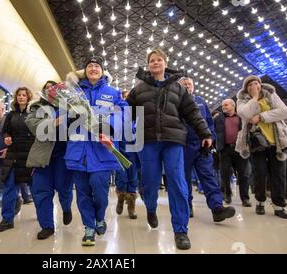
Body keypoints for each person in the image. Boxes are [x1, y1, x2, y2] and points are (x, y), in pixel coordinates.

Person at [127, 48, 212, 250]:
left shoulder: (178, 88)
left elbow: (192, 112)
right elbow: (124, 113)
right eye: (152, 60)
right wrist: (110, 130)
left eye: (159, 60)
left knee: (177, 182)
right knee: (149, 182)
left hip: (173, 140)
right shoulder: (138, 90)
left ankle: (181, 230)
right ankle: (150, 207)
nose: (155, 63)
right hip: (147, 141)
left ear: (165, 63)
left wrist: (205, 133)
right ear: (148, 65)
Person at [63, 56, 128, 246]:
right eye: (90, 66)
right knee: (82, 192)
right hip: (78, 150)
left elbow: (123, 113)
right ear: (85, 71)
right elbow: (61, 115)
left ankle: (100, 217)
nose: (93, 68)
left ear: (102, 71)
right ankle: (89, 227)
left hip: (102, 149)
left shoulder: (113, 93)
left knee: (100, 189)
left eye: (97, 66)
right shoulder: (73, 92)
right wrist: (68, 115)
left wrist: (109, 129)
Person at [236, 75, 287, 219]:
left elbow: (284, 111)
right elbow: (245, 114)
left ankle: (279, 206)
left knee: (279, 175)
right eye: (250, 85)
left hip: (277, 142)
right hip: (257, 144)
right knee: (260, 174)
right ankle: (260, 202)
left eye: (256, 83)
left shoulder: (271, 95)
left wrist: (261, 117)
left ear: (261, 85)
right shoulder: (243, 100)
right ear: (246, 89)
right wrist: (254, 98)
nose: (254, 86)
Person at [179, 77, 235, 221]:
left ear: (193, 87)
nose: (187, 86)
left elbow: (209, 122)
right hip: (183, 146)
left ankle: (217, 209)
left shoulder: (201, 101)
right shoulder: (176, 101)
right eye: (184, 84)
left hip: (201, 146)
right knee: (184, 179)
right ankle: (187, 206)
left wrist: (210, 139)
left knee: (208, 176)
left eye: (189, 84)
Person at [25, 80, 74, 240]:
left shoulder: (69, 106)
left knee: (64, 187)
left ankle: (66, 208)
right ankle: (47, 226)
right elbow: (32, 124)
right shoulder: (36, 107)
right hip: (43, 155)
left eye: (53, 88)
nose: (50, 91)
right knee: (41, 191)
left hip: (63, 155)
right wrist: (52, 122)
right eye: (46, 89)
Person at [0, 87, 35, 232]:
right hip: (13, 155)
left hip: (30, 155)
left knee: (36, 189)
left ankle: (43, 216)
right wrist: (6, 137)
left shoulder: (34, 113)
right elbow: (4, 131)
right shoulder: (11, 115)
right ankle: (7, 220)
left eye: (24, 95)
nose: (21, 97)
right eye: (19, 95)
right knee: (9, 187)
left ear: (28, 97)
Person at [214, 99, 251, 206]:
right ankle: (227, 195)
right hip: (225, 149)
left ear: (233, 105)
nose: (223, 106)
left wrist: (248, 144)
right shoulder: (218, 118)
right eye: (222, 105)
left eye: (226, 104)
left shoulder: (241, 117)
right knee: (224, 174)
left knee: (243, 174)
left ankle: (245, 198)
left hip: (240, 149)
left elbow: (248, 131)